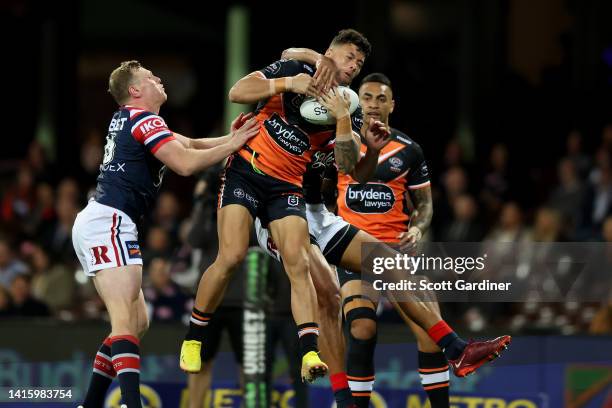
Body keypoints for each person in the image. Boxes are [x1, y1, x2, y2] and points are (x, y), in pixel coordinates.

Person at [257, 55, 511, 407]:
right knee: (361, 328)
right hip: (352, 250)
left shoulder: (410, 151)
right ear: (354, 98)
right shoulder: (337, 138)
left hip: (398, 250)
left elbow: (424, 206)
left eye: (381, 98)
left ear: (392, 104)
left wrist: (419, 228)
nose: (374, 104)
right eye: (368, 96)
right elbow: (319, 185)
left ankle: (445, 389)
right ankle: (353, 401)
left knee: (427, 330)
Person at [180, 29, 388, 384]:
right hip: (246, 172)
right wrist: (291, 82)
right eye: (349, 56)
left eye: (360, 62)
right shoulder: (293, 68)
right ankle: (194, 336)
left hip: (287, 188)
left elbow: (350, 163)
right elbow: (237, 92)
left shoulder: (349, 107)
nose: (354, 65)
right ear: (330, 53)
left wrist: (342, 122)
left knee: (299, 263)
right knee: (230, 257)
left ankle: (310, 352)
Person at [71, 60, 259, 408]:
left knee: (137, 321)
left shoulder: (132, 119)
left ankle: (92, 402)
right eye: (151, 77)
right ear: (135, 91)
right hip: (109, 221)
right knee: (125, 319)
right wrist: (233, 146)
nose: (159, 79)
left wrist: (233, 138)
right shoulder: (144, 119)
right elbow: (185, 164)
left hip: (106, 220)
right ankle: (131, 402)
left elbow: (187, 143)